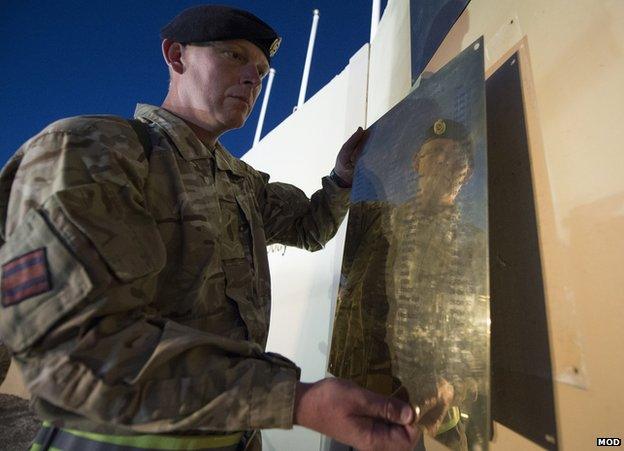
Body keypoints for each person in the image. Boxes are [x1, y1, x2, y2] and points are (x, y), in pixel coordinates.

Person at [0, 5, 446, 451]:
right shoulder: (93, 150)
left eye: (261, 71)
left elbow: (311, 227)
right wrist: (297, 400)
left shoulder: (239, 180)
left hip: (233, 434)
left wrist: (343, 177)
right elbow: (73, 352)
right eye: (234, 56)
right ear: (176, 57)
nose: (253, 78)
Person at [329, 119, 487, 450]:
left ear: (467, 173)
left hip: (423, 415)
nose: (444, 161)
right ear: (417, 162)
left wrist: (453, 386)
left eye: (454, 156)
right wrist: (341, 177)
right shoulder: (374, 220)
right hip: (355, 395)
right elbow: (328, 232)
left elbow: (481, 339)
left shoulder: (474, 244)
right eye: (435, 152)